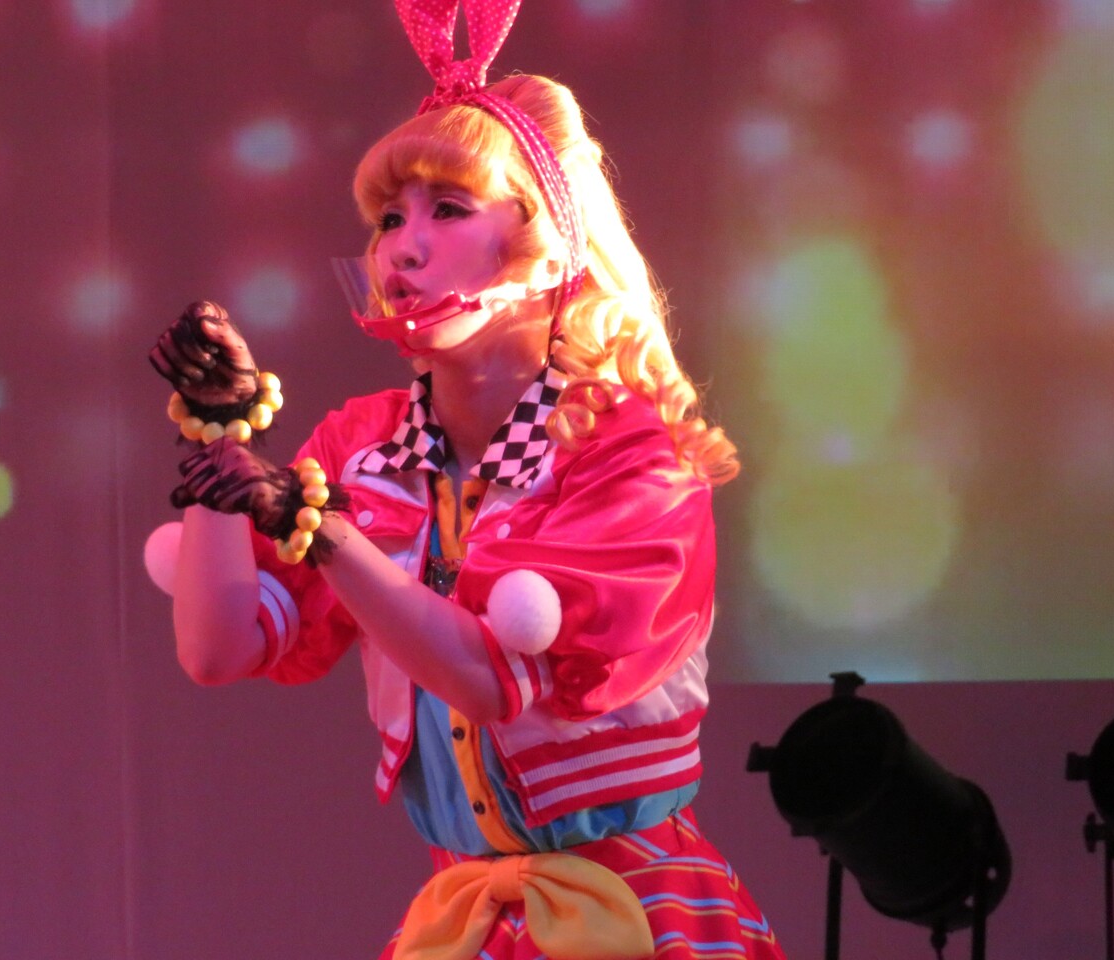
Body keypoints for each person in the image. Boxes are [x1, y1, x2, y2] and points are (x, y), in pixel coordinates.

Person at [146, 3, 785, 958]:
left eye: (447, 210)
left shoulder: (628, 454)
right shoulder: (363, 446)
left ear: (546, 244)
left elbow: (491, 682)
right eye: (387, 219)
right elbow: (217, 648)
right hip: (467, 922)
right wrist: (219, 444)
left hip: (632, 916)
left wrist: (318, 526)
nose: (400, 249)